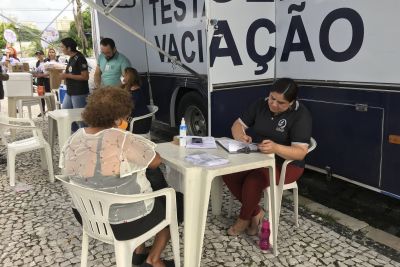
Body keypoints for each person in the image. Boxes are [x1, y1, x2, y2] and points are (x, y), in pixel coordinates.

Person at [60, 87, 182, 267]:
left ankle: (139, 251)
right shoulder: (121, 138)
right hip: (124, 223)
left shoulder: (75, 138)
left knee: (130, 190)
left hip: (86, 216)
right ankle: (153, 259)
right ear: (118, 116)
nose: (126, 120)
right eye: (126, 116)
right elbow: (155, 161)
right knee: (176, 202)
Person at [223, 78, 312, 236]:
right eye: (272, 98)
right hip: (260, 158)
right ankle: (256, 213)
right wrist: (240, 137)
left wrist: (276, 147)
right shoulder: (260, 104)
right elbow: (237, 125)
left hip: (288, 165)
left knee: (253, 180)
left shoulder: (301, 115)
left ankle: (243, 220)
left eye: (281, 103)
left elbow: (300, 152)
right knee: (228, 172)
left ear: (291, 103)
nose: (273, 104)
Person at [59, 38, 89, 130]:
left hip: (79, 92)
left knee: (80, 118)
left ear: (69, 48)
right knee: (66, 112)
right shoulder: (71, 58)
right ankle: (75, 134)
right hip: (70, 91)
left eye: (62, 47)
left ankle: (84, 136)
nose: (61, 48)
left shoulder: (80, 58)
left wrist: (67, 75)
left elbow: (85, 77)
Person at [121, 67, 151, 134]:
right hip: (139, 122)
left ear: (129, 78)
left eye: (124, 76)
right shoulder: (137, 90)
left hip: (138, 124)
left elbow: (126, 113)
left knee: (115, 125)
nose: (123, 78)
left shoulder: (135, 95)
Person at [33, 50, 51, 116]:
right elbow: (36, 72)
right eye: (37, 54)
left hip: (46, 81)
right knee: (41, 96)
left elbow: (49, 73)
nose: (39, 56)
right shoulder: (37, 63)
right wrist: (35, 74)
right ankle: (42, 110)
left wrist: (40, 74)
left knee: (48, 95)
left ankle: (50, 110)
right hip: (39, 81)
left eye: (40, 54)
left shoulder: (47, 62)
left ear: (43, 55)